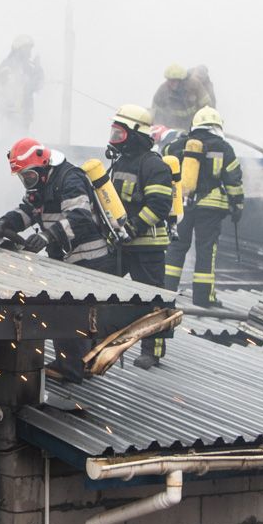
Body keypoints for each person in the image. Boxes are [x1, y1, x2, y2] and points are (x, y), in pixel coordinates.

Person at [0, 138, 114, 383]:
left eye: (29, 176)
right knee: (73, 312)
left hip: (89, 259)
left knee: (67, 313)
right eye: (23, 178)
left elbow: (80, 217)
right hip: (69, 260)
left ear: (43, 166)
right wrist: (0, 226)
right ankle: (82, 364)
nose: (27, 183)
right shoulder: (41, 187)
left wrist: (48, 236)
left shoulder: (69, 179)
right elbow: (26, 212)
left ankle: (70, 369)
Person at [107, 105, 175, 368]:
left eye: (119, 134)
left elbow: (159, 205)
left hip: (147, 246)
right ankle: (104, 342)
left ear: (135, 134)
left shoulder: (153, 165)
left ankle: (152, 351)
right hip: (122, 244)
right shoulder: (121, 162)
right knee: (106, 291)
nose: (113, 139)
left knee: (152, 300)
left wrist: (133, 227)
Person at [163, 107, 244, 307]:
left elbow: (163, 158)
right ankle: (203, 298)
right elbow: (233, 181)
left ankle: (163, 293)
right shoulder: (224, 148)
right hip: (210, 208)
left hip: (181, 205)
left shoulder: (178, 145)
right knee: (206, 250)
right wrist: (238, 206)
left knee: (175, 247)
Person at [0, 35, 43, 134]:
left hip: (24, 114)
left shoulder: (28, 67)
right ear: (19, 49)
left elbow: (37, 86)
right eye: (27, 49)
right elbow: (9, 89)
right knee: (9, 143)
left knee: (21, 142)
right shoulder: (7, 65)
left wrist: (38, 69)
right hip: (11, 113)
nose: (29, 52)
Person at [150, 63, 212, 131]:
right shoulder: (163, 91)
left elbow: (207, 105)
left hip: (195, 125)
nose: (170, 83)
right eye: (169, 80)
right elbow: (156, 113)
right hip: (174, 128)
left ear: (181, 80)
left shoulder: (195, 85)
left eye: (174, 80)